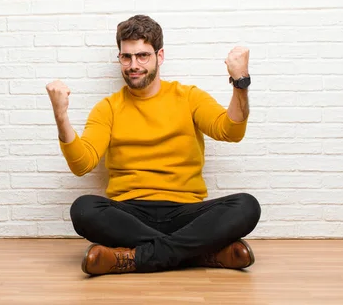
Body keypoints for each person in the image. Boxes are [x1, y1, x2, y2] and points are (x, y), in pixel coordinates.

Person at [45, 15, 261, 276]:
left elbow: (230, 131)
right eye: (126, 57)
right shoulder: (108, 107)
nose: (133, 65)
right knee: (83, 209)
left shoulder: (188, 96)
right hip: (131, 213)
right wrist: (61, 117)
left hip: (186, 210)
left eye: (142, 56)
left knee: (247, 206)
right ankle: (201, 252)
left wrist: (241, 83)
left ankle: (131, 258)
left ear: (160, 56)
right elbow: (83, 164)